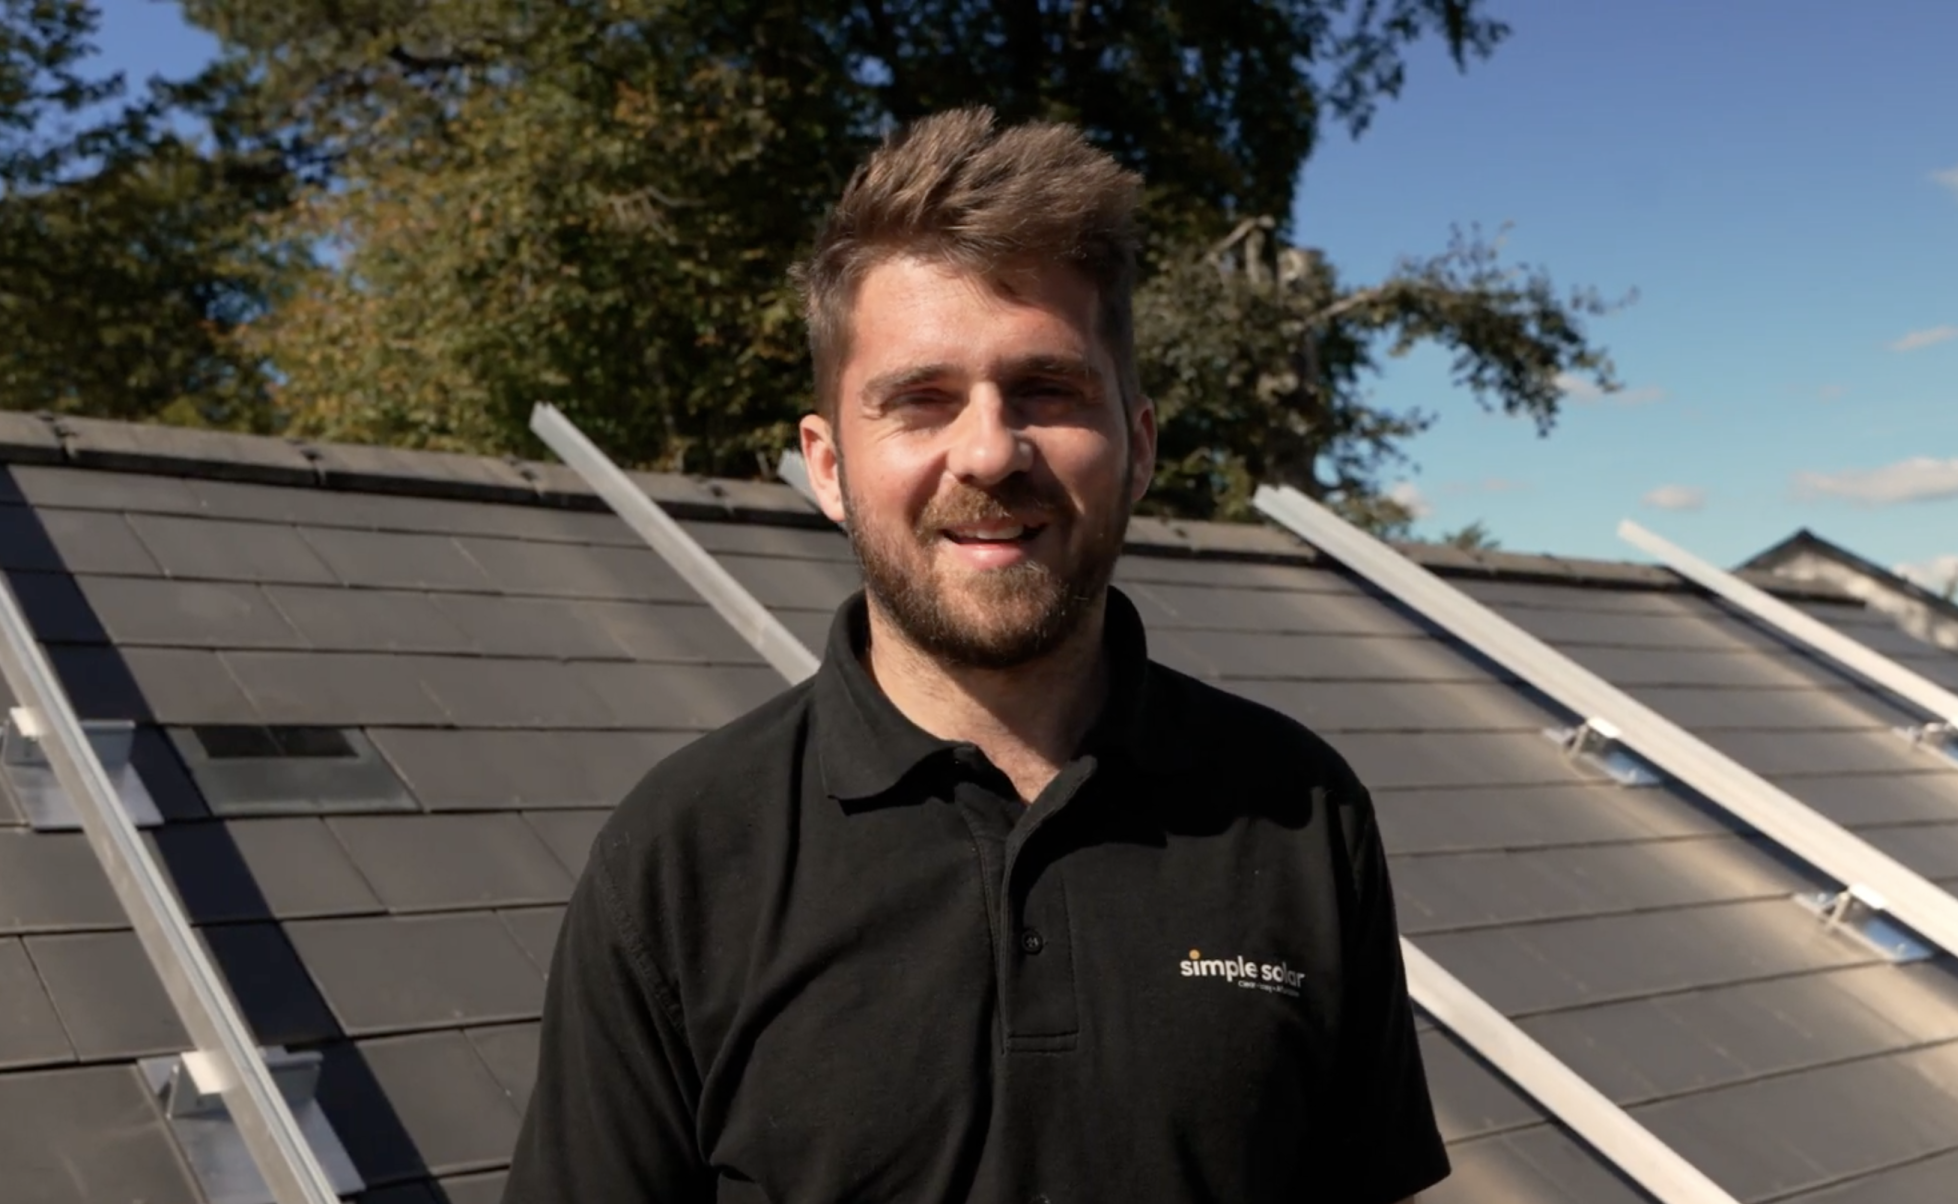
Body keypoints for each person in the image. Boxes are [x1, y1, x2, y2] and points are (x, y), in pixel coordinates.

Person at [502, 107, 1447, 1204]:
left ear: (1136, 446)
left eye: (1045, 390)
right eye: (921, 400)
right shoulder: (678, 860)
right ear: (825, 463)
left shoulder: (1298, 811)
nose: (990, 451)